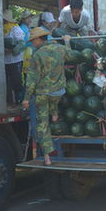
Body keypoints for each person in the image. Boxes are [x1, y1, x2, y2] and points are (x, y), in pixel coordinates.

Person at [22, 28, 71, 166]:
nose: (32, 43)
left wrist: (26, 98)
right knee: (54, 103)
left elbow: (32, 79)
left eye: (33, 41)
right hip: (59, 92)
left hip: (43, 94)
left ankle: (47, 157)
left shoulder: (37, 55)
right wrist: (67, 42)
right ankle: (54, 114)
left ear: (39, 39)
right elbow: (72, 55)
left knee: (42, 124)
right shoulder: (60, 48)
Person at [3, 9, 25, 107]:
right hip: (4, 61)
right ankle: (10, 102)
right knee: (7, 82)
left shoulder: (16, 29)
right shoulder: (2, 29)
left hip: (15, 60)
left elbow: (22, 44)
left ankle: (20, 101)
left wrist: (12, 51)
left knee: (16, 81)